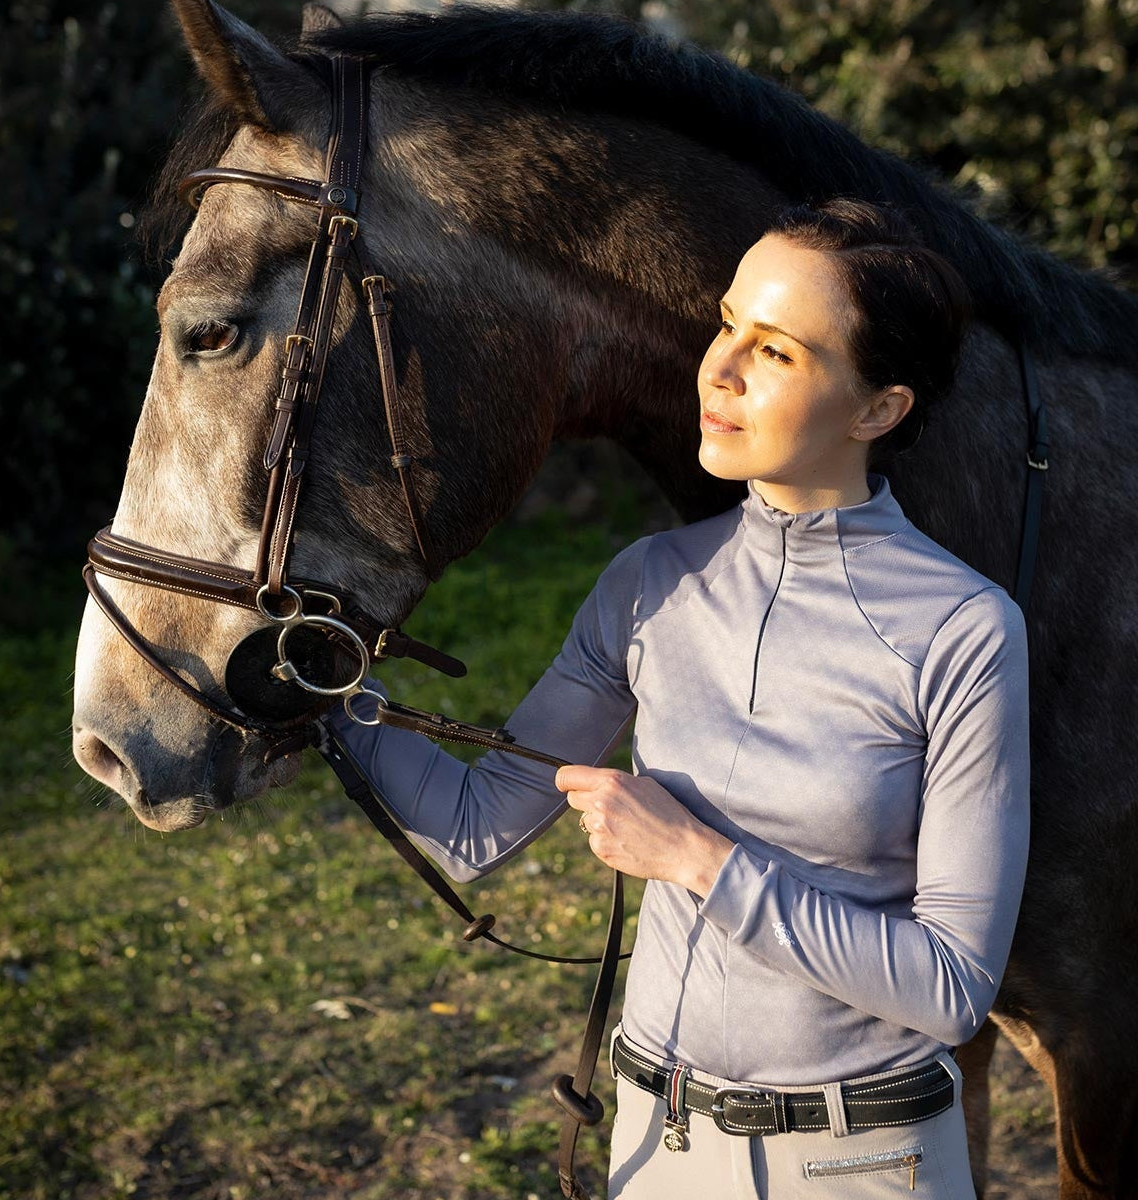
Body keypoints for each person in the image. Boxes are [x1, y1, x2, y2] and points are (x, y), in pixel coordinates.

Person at [326, 196, 1031, 1198]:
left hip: (864, 1163)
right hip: (661, 1148)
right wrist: (320, 690)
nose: (721, 369)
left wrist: (699, 861)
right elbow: (474, 824)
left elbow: (953, 988)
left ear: (880, 409)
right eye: (728, 322)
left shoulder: (963, 630)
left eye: (778, 352)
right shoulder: (648, 582)